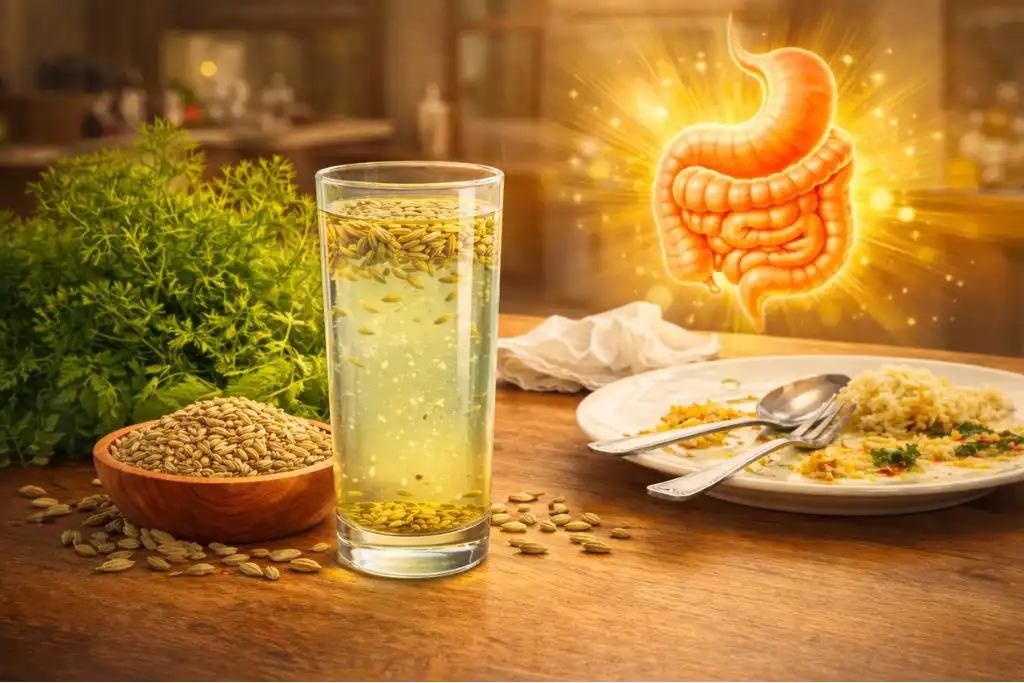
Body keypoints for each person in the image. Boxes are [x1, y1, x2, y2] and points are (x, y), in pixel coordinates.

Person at [417, 82, 450, 159]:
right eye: (431, 92)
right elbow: (422, 124)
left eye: (435, 92)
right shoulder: (424, 106)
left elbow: (445, 127)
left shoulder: (442, 107)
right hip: (427, 135)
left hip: (439, 140)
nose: (433, 94)